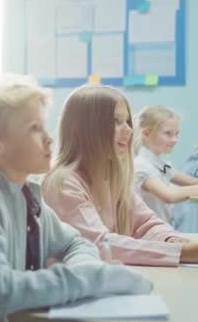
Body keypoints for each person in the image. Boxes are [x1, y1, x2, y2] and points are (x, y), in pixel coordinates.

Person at [0, 77, 152, 322]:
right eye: (34, 128)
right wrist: (91, 279)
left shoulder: (28, 198)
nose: (49, 139)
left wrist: (84, 269)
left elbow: (76, 243)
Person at [43, 85, 198, 267]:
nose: (128, 130)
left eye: (127, 121)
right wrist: (183, 252)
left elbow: (145, 222)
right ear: (86, 128)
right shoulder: (64, 183)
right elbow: (101, 244)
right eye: (116, 121)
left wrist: (171, 240)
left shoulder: (111, 178)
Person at [133, 105, 198, 224]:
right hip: (146, 235)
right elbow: (169, 196)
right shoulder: (141, 166)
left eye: (176, 134)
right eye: (168, 134)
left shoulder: (161, 165)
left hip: (161, 230)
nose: (175, 140)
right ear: (146, 133)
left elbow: (193, 182)